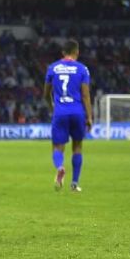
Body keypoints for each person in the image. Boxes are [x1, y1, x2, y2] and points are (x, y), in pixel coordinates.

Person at [43, 40, 92, 193]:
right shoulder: (82, 69)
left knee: (57, 147)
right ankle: (74, 184)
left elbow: (46, 94)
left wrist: (53, 108)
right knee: (77, 147)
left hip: (60, 112)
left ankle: (60, 167)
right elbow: (85, 95)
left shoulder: (52, 68)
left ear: (63, 53)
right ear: (77, 52)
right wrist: (89, 116)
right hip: (77, 112)